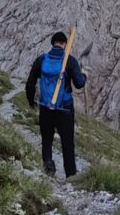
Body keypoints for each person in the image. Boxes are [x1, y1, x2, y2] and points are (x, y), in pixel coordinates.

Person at [25, 31, 87, 178]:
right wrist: (85, 75)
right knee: (67, 142)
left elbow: (30, 83)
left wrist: (32, 102)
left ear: (52, 43)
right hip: (65, 109)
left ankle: (49, 167)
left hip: (45, 107)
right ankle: (71, 175)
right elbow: (79, 83)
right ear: (65, 44)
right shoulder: (70, 61)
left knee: (47, 139)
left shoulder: (41, 59)